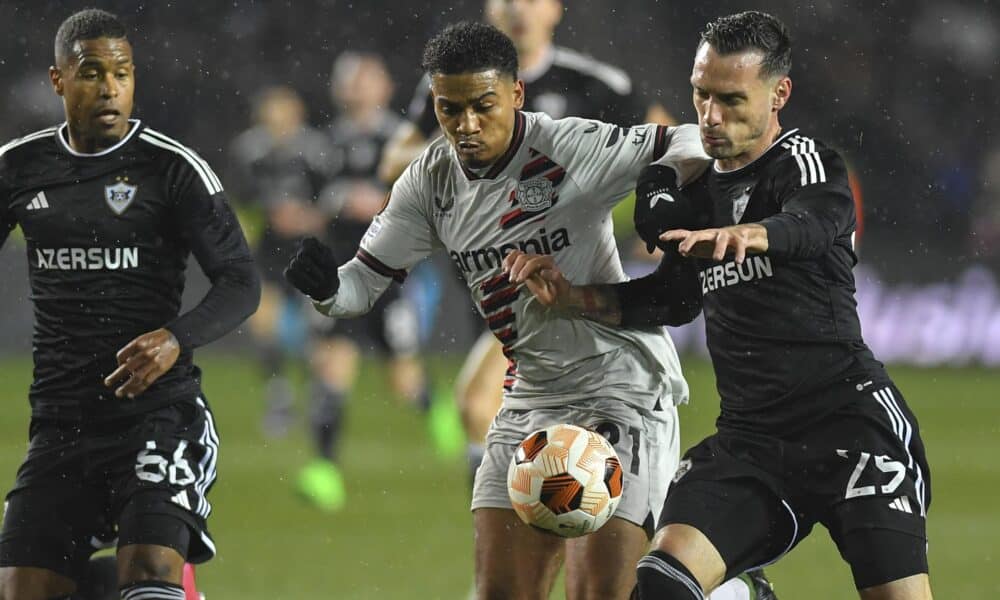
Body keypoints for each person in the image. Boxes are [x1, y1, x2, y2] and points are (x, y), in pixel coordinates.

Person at [285, 21, 766, 600]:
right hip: (531, 394)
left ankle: (728, 592)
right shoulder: (428, 186)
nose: (465, 125)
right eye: (448, 108)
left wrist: (659, 190)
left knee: (599, 594)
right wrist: (326, 289)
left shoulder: (567, 147)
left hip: (619, 388)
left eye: (482, 105)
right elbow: (361, 285)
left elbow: (686, 140)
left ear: (516, 94)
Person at [504, 11, 932, 600]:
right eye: (701, 95)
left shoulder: (803, 161)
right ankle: (743, 594)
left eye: (731, 99)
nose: (710, 116)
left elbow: (817, 222)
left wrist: (751, 234)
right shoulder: (698, 192)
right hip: (751, 439)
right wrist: (574, 298)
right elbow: (673, 299)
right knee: (659, 588)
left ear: (779, 93)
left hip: (849, 425)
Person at [0, 9, 260, 600]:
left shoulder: (171, 168)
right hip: (61, 425)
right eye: (92, 73)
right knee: (22, 588)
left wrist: (176, 338)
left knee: (147, 571)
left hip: (157, 419)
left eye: (122, 73)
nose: (110, 87)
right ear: (58, 80)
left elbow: (241, 281)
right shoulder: (19, 167)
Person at [381, 0, 675, 493]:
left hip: (565, 283)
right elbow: (394, 161)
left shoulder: (594, 85)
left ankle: (509, 538)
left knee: (480, 407)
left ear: (556, 10)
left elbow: (670, 149)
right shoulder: (459, 87)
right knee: (546, 436)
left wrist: (662, 218)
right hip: (496, 281)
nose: (518, 8)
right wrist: (473, 141)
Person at [295, 51, 440, 511]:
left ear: (384, 87)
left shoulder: (401, 141)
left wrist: (379, 200)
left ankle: (440, 415)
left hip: (387, 273)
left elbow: (425, 201)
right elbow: (307, 209)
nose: (357, 86)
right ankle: (324, 470)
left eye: (366, 78)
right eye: (350, 79)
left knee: (403, 379)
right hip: (338, 273)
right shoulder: (322, 146)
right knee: (332, 368)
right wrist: (332, 203)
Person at [228, 85, 333, 437]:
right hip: (268, 252)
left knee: (314, 334)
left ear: (297, 113)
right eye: (271, 115)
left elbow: (333, 198)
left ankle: (320, 395)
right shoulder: (248, 151)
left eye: (284, 113)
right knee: (262, 324)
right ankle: (280, 400)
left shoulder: (316, 150)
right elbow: (238, 201)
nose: (277, 122)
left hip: (308, 250)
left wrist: (306, 216)